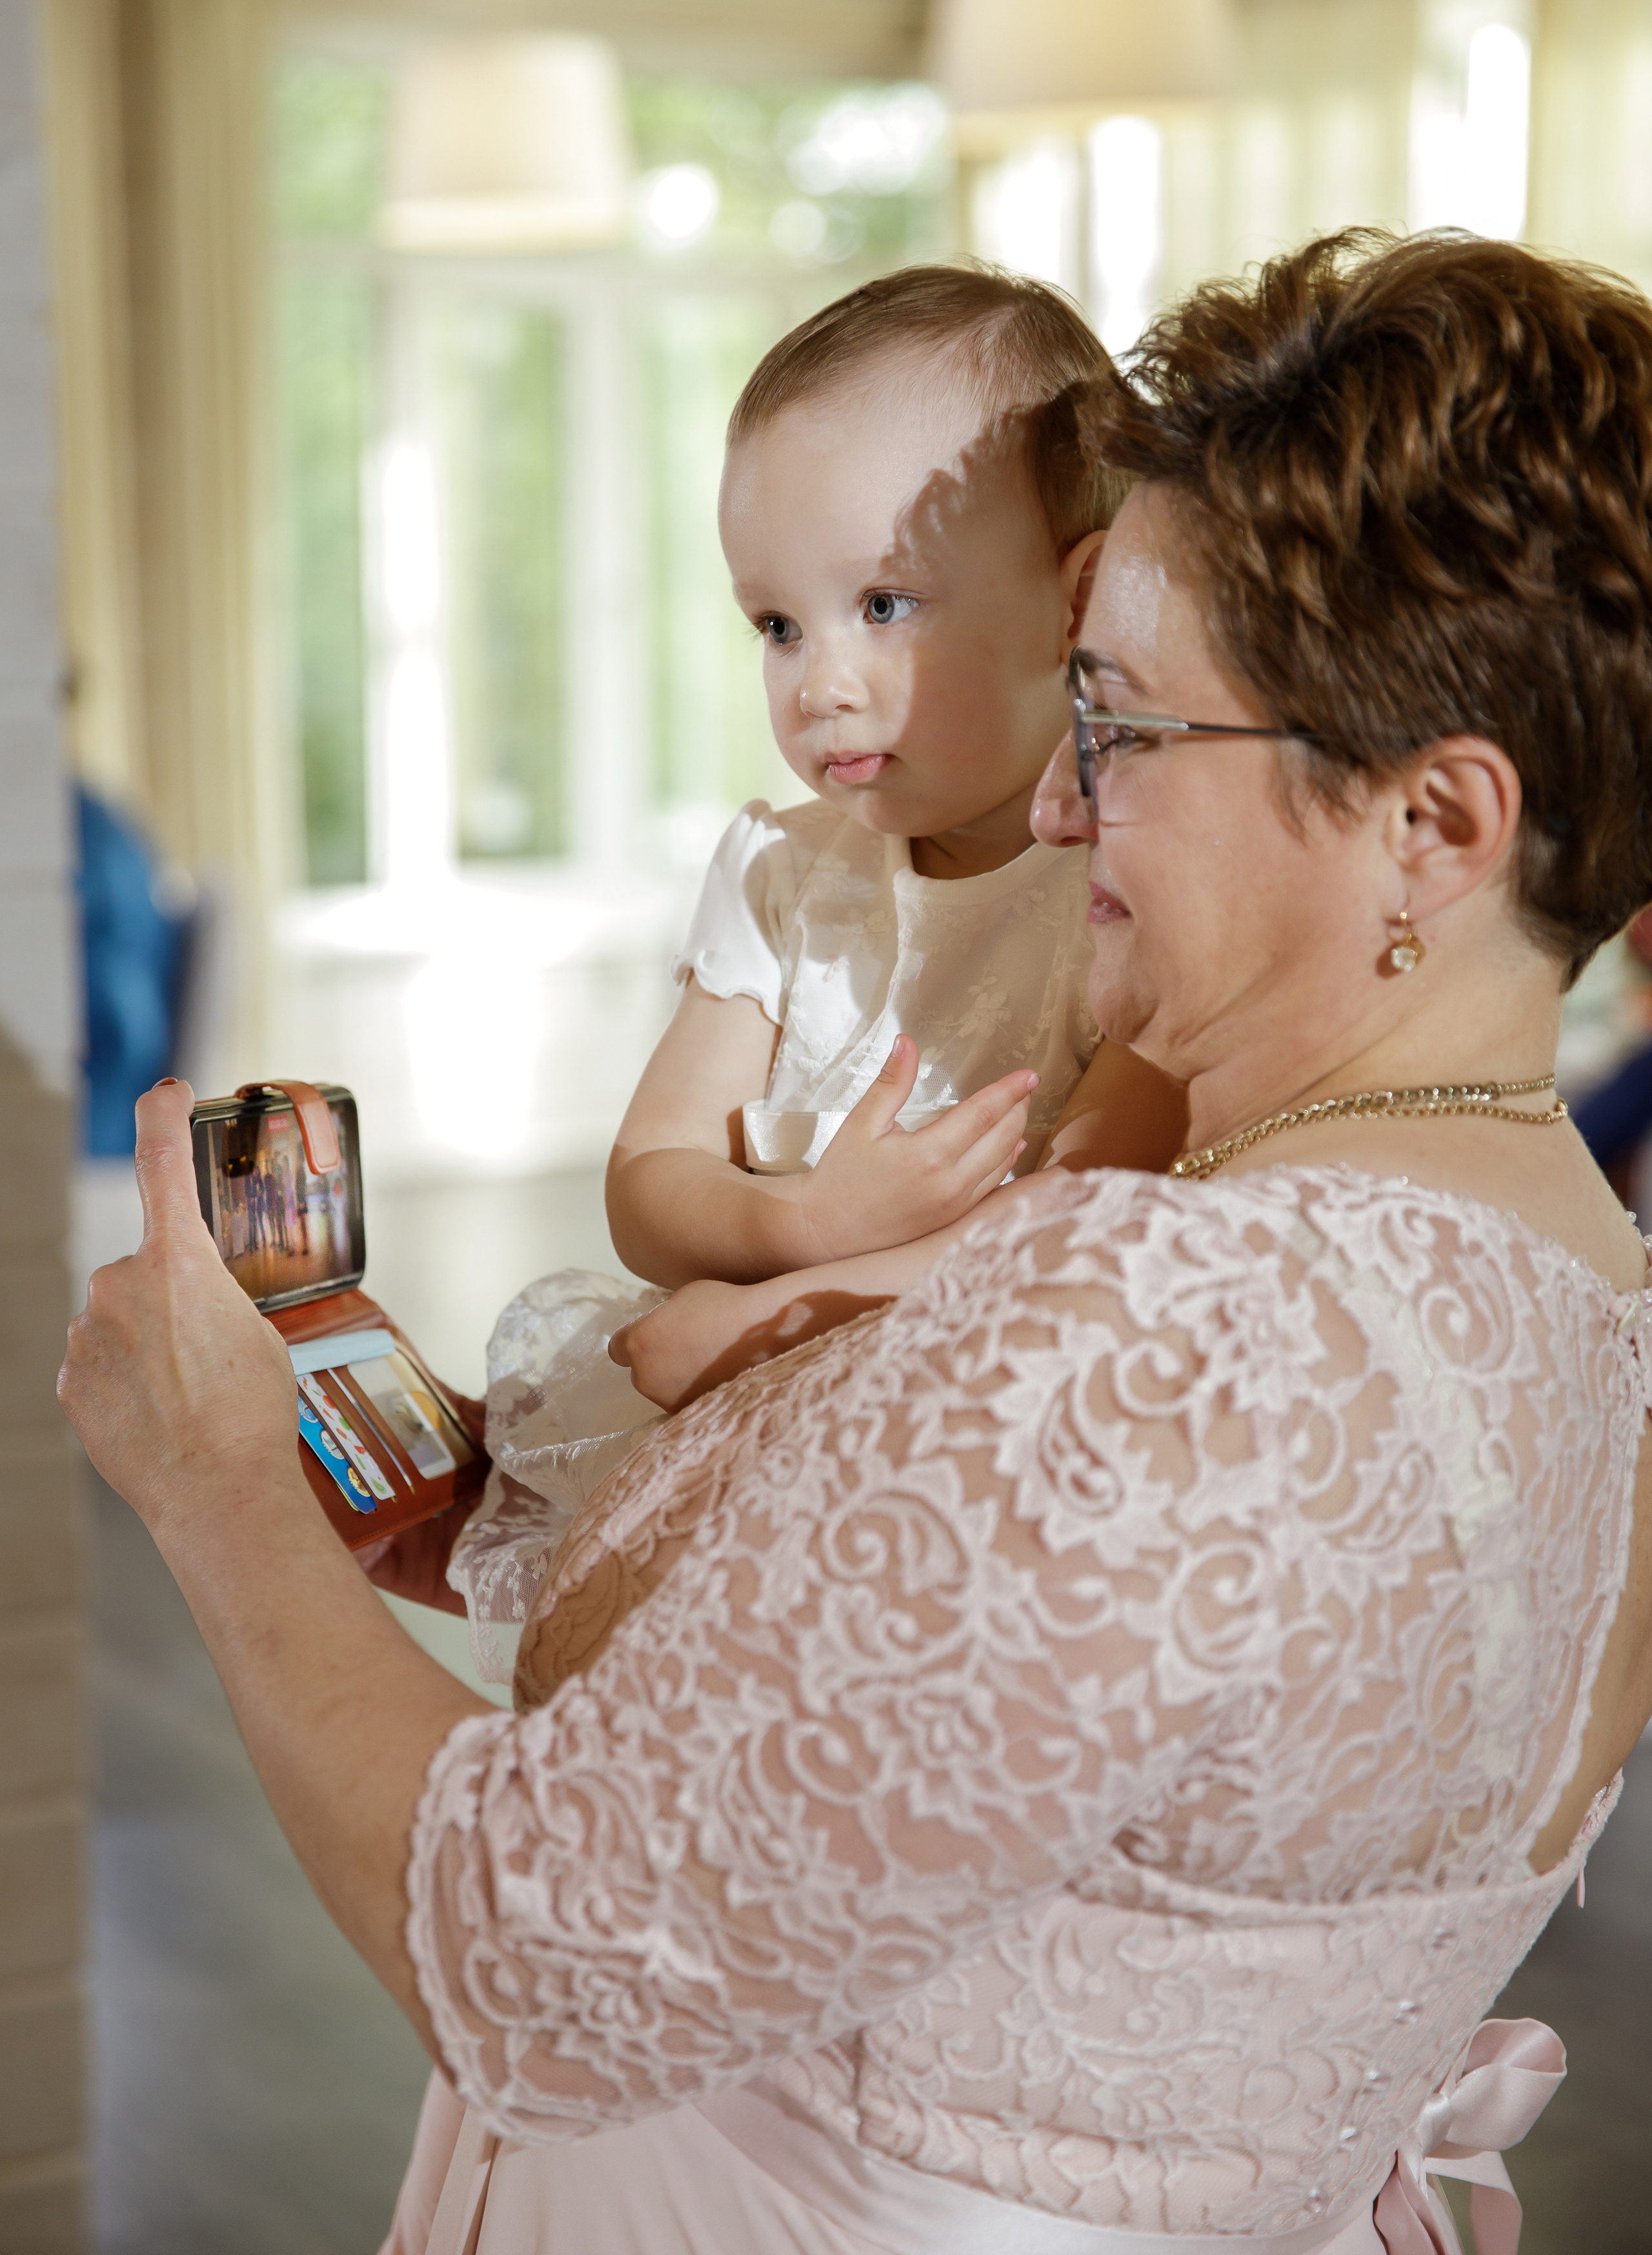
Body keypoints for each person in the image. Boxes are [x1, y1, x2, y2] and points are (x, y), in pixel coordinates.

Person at [58, 227, 1652, 2255]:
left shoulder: (1168, 1322)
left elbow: (534, 1964)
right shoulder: (1587, 1309)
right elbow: (979, 1704)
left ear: (1433, 825)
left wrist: (214, 1492)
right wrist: (478, 1518)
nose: (1064, 811)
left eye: (1131, 725)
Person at [452, 265, 1187, 1672]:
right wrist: (796, 1226)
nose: (817, 683)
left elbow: (1086, 1223)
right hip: (744, 1449)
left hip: (987, 1483)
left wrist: (778, 1317)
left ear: (1074, 595)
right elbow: (649, 1182)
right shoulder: (784, 877)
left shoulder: (1127, 883)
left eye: (887, 604)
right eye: (776, 625)